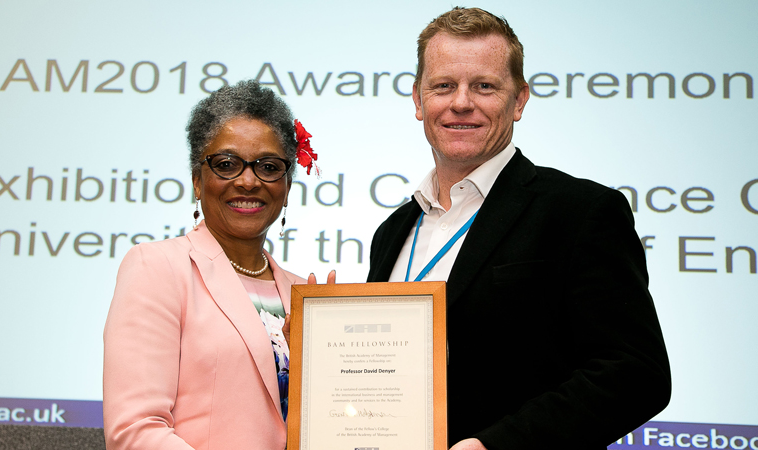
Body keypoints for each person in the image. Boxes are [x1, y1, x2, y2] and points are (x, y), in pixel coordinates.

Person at [367, 7, 671, 450]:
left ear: (520, 100)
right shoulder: (392, 231)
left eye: (485, 86)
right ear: (418, 100)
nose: (461, 102)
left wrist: (496, 446)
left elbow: (635, 372)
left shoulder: (580, 211)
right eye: (444, 86)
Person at [103, 80, 323, 449]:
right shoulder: (156, 269)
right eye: (226, 164)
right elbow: (136, 431)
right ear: (197, 181)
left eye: (268, 166)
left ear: (286, 187)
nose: (249, 181)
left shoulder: (305, 294)